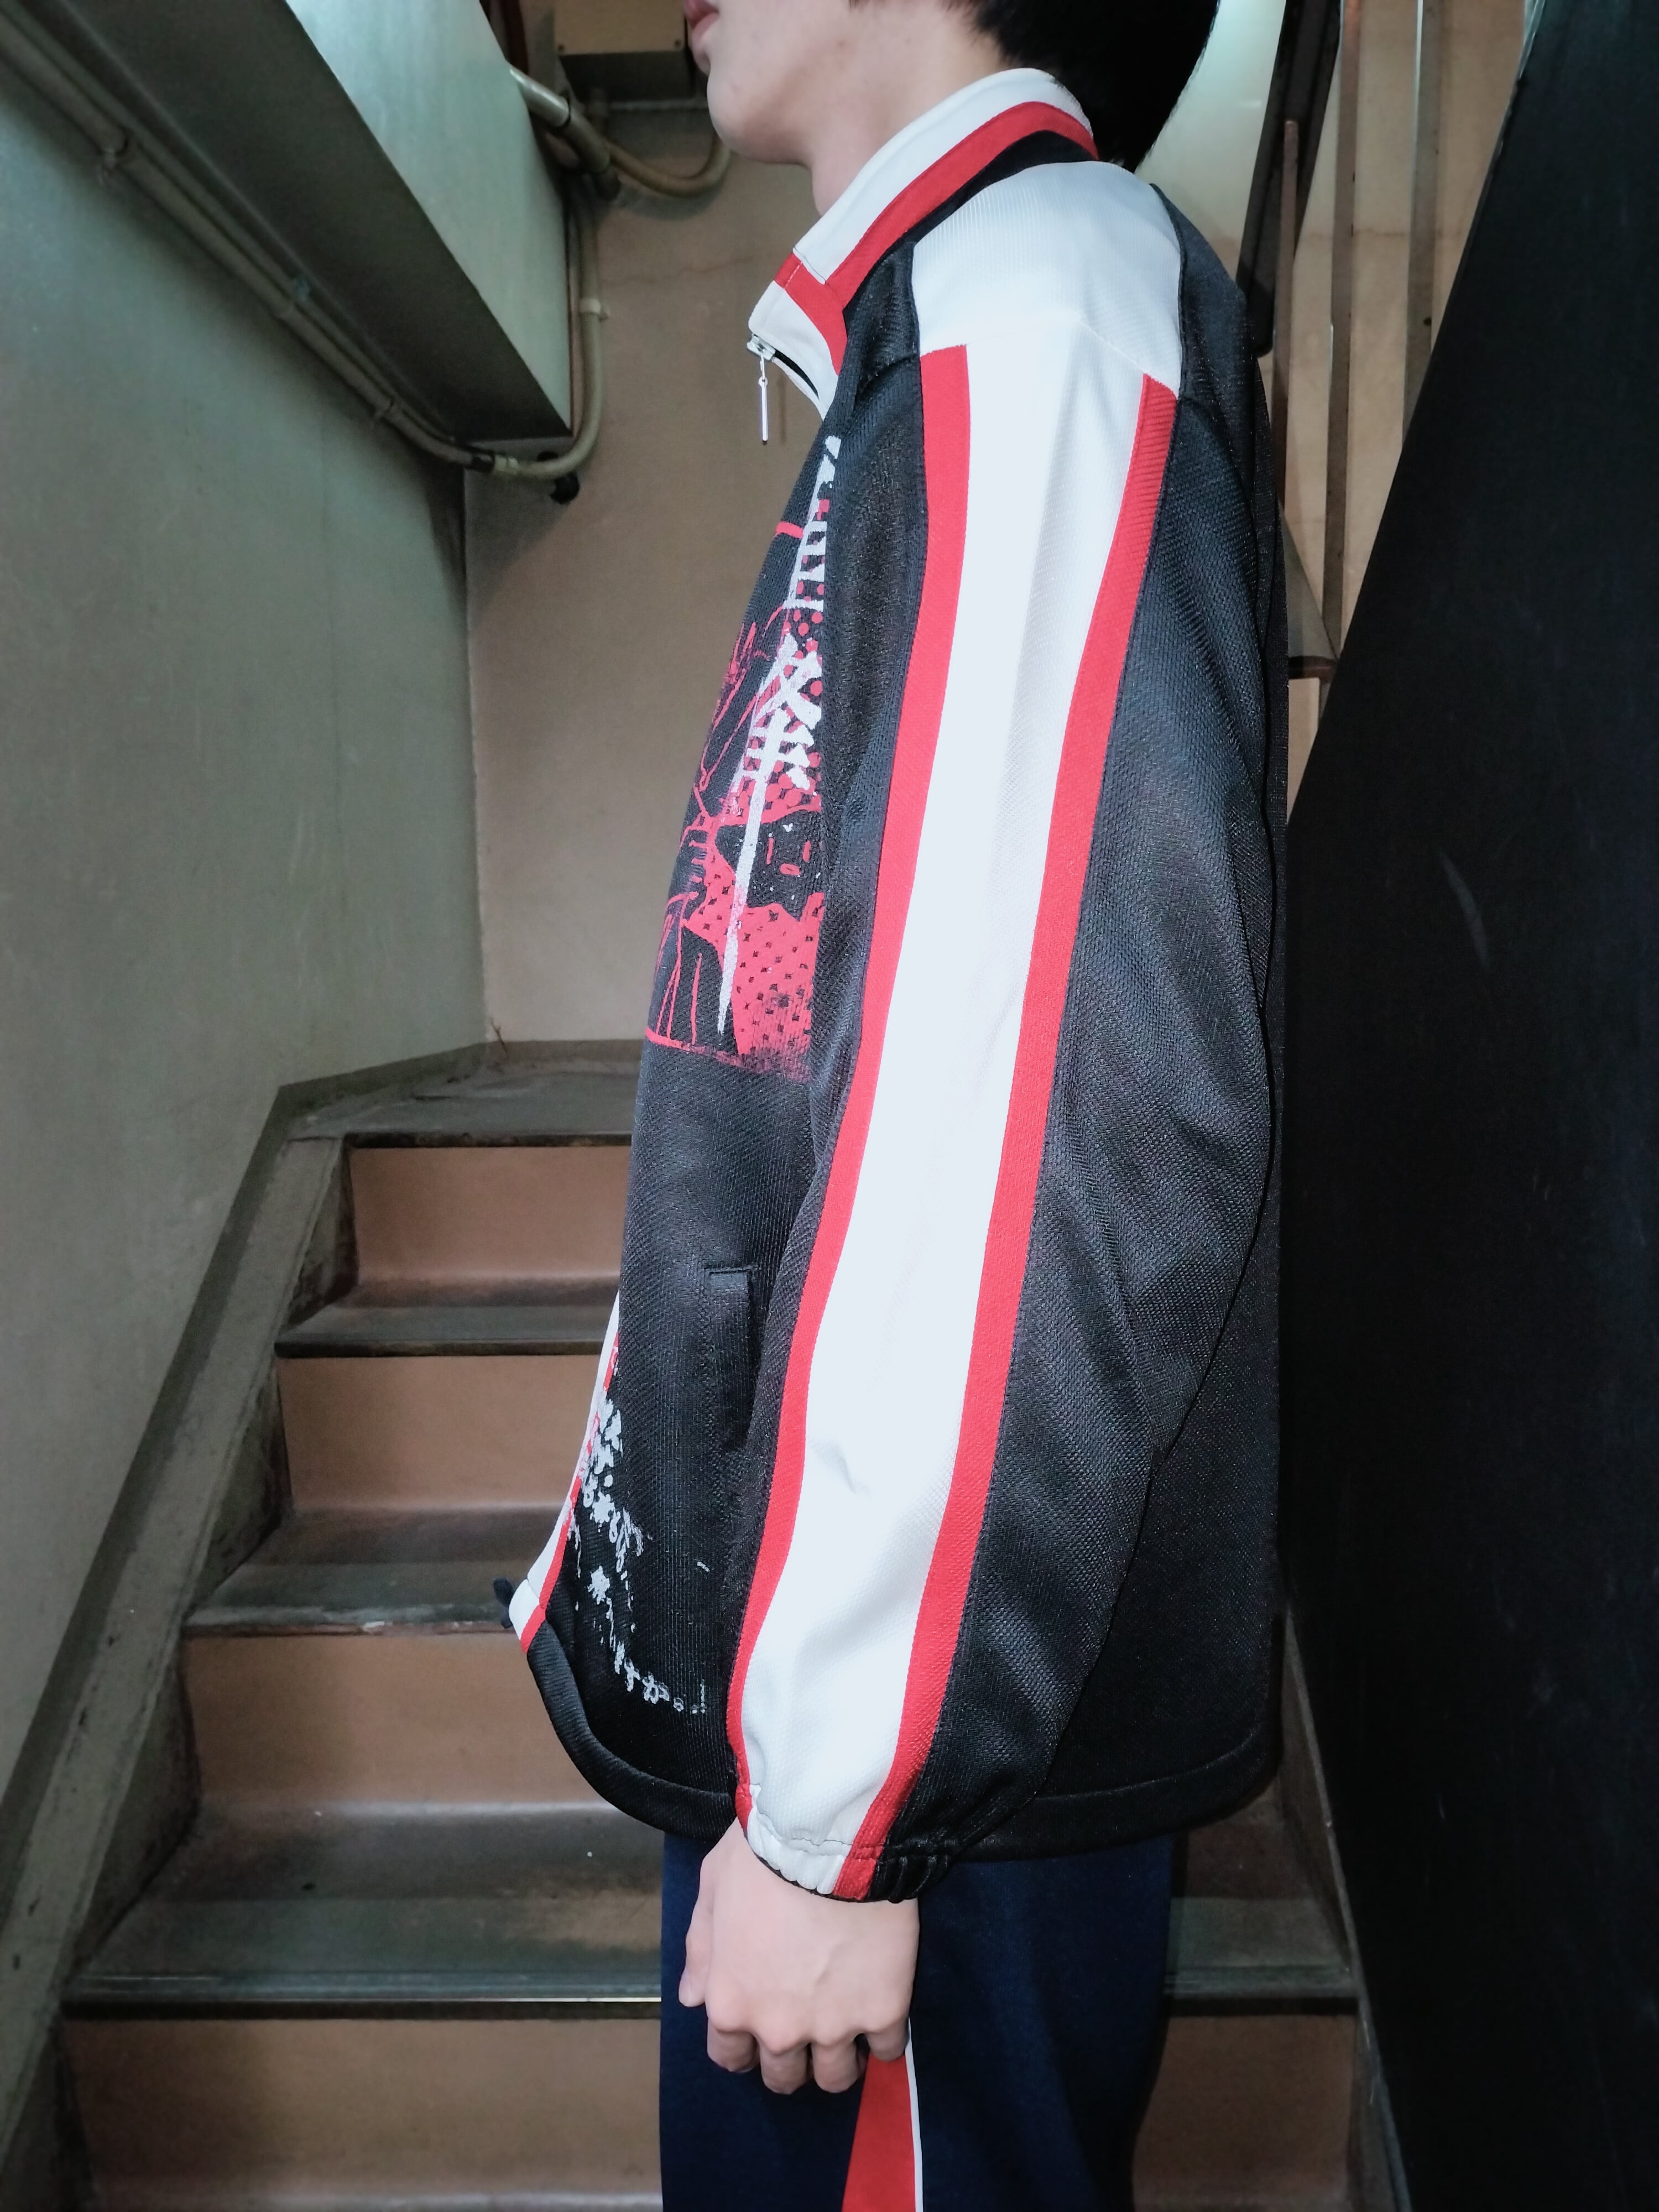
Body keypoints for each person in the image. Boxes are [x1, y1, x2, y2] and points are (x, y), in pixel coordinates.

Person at [510, 0, 1285, 2200]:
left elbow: (1040, 1095)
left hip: (918, 1765)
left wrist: (845, 1812)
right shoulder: (961, 314)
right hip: (871, 1722)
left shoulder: (1028, 299)